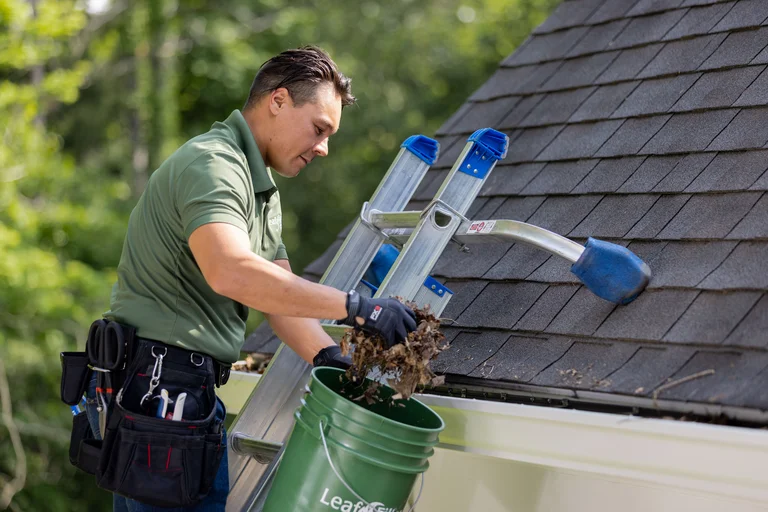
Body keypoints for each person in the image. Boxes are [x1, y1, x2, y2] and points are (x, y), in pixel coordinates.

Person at [84, 46, 417, 512]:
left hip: (186, 401)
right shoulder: (213, 165)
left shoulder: (260, 188)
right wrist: (361, 308)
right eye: (319, 129)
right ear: (277, 101)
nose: (323, 148)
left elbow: (277, 297)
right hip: (163, 400)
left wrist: (329, 358)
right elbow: (231, 272)